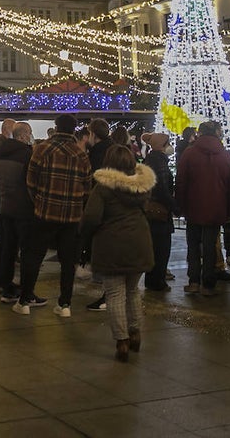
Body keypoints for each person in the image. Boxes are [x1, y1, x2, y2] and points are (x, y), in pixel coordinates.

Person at [84, 145, 155, 361]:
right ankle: (135, 333)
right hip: (139, 242)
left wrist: (84, 236)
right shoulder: (142, 187)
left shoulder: (103, 187)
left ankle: (122, 341)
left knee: (115, 293)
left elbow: (91, 218)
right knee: (133, 291)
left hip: (111, 245)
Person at [16, 114, 92, 317]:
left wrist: (39, 200)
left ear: (56, 127)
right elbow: (87, 187)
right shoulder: (81, 154)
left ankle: (25, 301)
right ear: (74, 130)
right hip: (72, 216)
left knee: (34, 256)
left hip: (45, 212)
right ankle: (65, 304)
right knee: (68, 261)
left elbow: (30, 182)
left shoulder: (43, 149)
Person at [175, 121, 230, 297]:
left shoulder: (189, 153)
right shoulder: (225, 155)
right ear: (216, 133)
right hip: (217, 208)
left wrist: (180, 206)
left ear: (200, 133)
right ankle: (208, 283)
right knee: (210, 246)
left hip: (193, 207)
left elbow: (181, 182)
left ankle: (194, 281)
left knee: (193, 245)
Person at [0, 122, 33, 300]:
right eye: (29, 133)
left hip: (2, 204)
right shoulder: (26, 154)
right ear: (22, 135)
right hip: (22, 207)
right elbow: (31, 182)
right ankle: (25, 291)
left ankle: (1, 283)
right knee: (24, 248)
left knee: (5, 245)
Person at [140, 132, 176, 293]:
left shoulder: (150, 159)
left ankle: (152, 279)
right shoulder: (159, 161)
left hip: (150, 210)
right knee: (161, 248)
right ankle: (157, 281)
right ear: (161, 146)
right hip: (159, 210)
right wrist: (174, 206)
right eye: (167, 143)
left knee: (154, 247)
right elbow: (162, 188)